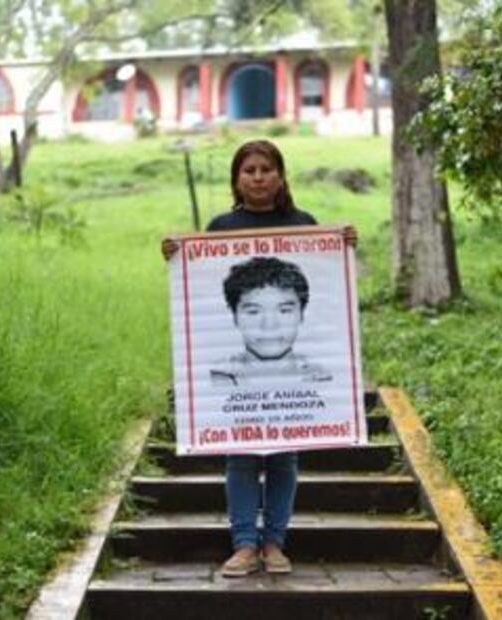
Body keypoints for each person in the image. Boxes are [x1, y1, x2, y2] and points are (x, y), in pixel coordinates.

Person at [161, 139, 356, 578]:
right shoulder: (220, 226)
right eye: (248, 170)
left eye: (266, 169)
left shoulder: (303, 224)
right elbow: (199, 281)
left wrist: (342, 244)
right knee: (241, 457)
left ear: (281, 176)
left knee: (284, 457)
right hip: (241, 395)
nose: (258, 177)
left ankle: (275, 543)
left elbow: (328, 274)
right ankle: (244, 544)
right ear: (236, 179)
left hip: (291, 394)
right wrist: (176, 256)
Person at [210, 256, 331, 387]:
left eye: (284, 311)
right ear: (235, 317)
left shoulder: (322, 377)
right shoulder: (216, 377)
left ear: (301, 314)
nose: (269, 325)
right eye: (253, 312)